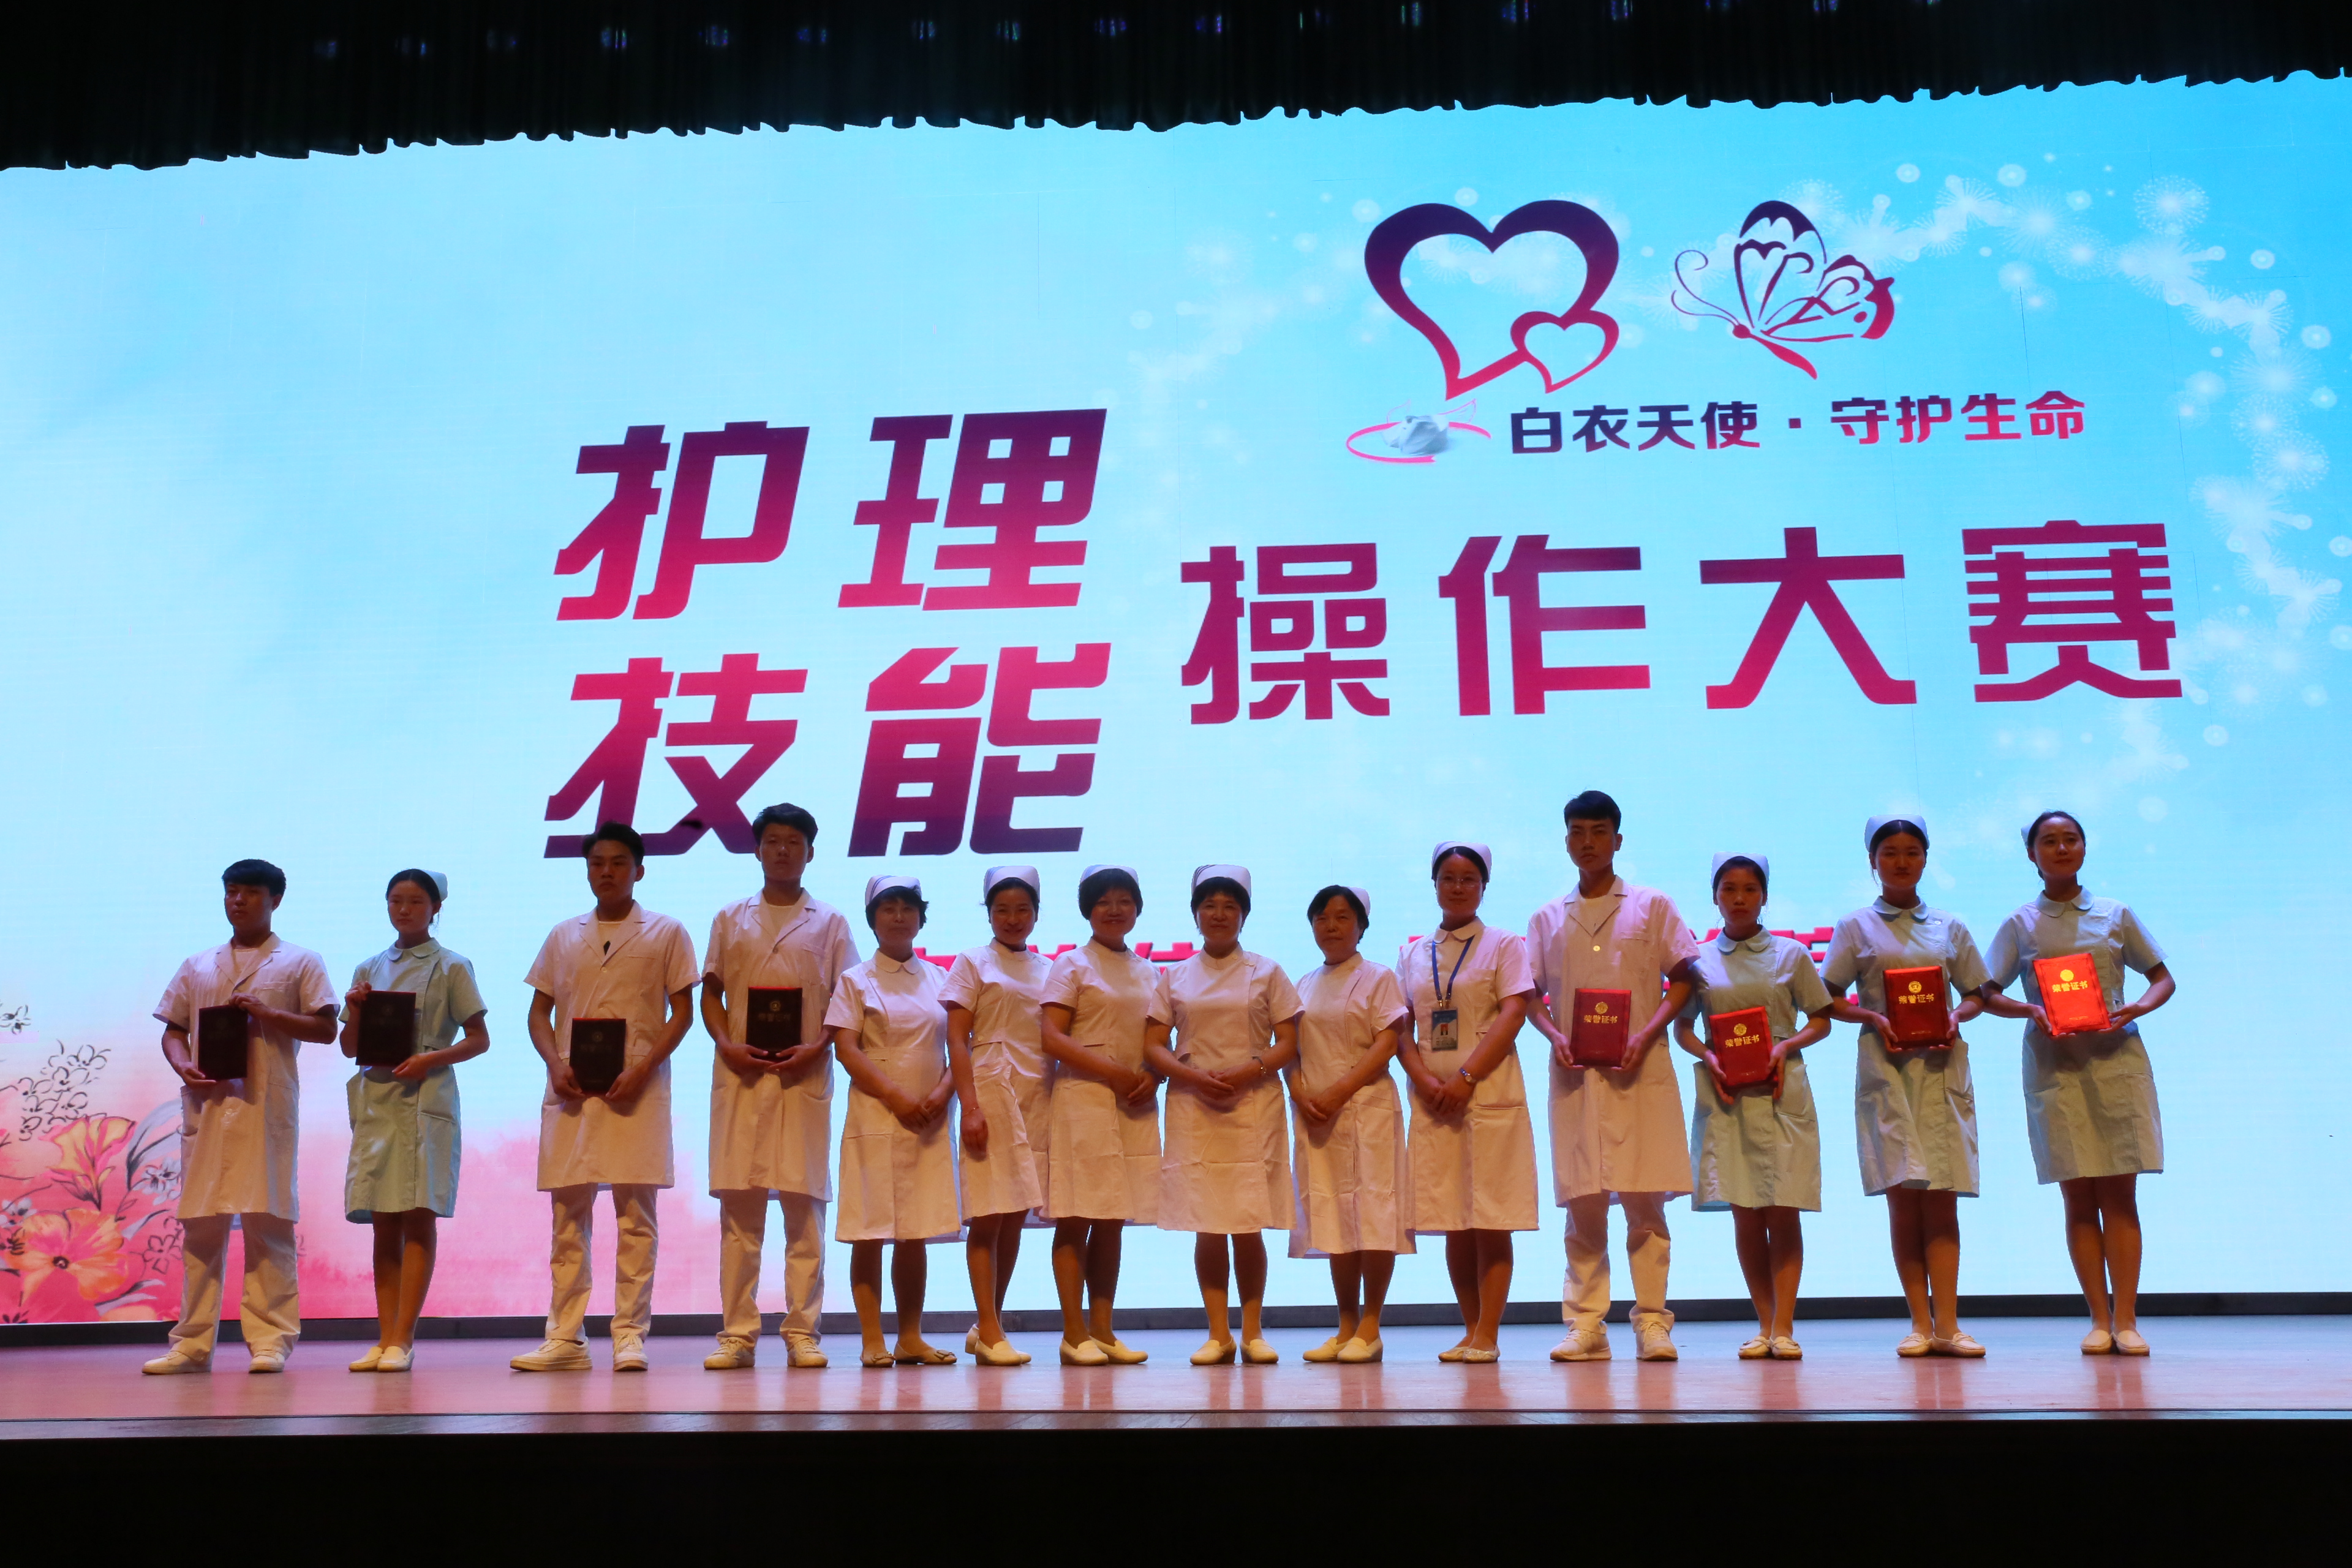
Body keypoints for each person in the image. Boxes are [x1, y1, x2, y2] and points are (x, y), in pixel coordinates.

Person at [1977, 810, 2175, 1356]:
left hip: (2116, 1061)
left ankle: (2128, 1319)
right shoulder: (2020, 923)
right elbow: (1985, 991)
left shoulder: (2115, 913)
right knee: (2078, 1195)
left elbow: (2162, 978)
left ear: (2084, 848)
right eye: (2050, 841)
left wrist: (2137, 1007)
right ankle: (2098, 1319)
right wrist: (2029, 1010)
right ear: (2032, 854)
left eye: (2071, 839)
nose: (2061, 849)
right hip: (2056, 1067)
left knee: (2121, 1195)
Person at [511, 823, 699, 1373]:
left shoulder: (666, 931)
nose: (607, 872)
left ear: (639, 870)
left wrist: (644, 1068)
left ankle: (629, 1336)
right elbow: (538, 1013)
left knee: (636, 1218)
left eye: (618, 863)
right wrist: (555, 1064)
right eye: (597, 863)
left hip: (635, 1089)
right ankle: (565, 1338)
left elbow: (682, 1013)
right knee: (568, 1217)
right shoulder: (563, 934)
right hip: (572, 1088)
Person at [1526, 791, 1702, 1363]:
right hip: (1577, 1078)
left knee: (1646, 1207)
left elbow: (1683, 977)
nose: (1588, 842)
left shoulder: (1652, 905)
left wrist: (1646, 1034)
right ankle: (1586, 1325)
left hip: (1639, 1071)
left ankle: (1653, 1322)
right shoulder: (1547, 918)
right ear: (1566, 841)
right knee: (1584, 1207)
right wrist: (1554, 1036)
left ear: (1618, 840)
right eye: (1577, 832)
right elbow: (1528, 994)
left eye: (1599, 831)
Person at [143, 859, 337, 1375]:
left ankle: (270, 1341)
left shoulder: (300, 961)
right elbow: (174, 1028)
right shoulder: (198, 964)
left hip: (264, 1109)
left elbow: (326, 1029)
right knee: (201, 1229)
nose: (238, 900)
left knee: (268, 1225)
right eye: (231, 891)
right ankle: (191, 1345)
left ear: (275, 900)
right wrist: (182, 1063)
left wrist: (270, 1015)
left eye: (250, 892)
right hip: (209, 1107)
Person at [1823, 814, 1991, 1359]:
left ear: (1925, 859)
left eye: (1912, 852)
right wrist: (1873, 1018)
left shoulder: (1949, 926)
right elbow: (1828, 997)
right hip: (1888, 1073)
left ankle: (1950, 1325)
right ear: (1873, 862)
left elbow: (1977, 992)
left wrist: (1956, 1016)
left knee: (1942, 1202)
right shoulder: (1855, 927)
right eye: (1890, 853)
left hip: (1942, 1070)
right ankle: (1919, 1323)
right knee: (1903, 1202)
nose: (1901, 861)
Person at [699, 803, 860, 1371]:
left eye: (794, 841)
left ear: (810, 852)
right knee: (739, 1215)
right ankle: (737, 1335)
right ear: (758, 849)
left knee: (804, 1210)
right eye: (773, 841)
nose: (783, 850)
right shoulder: (729, 918)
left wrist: (817, 1047)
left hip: (803, 1077)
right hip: (741, 1076)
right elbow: (710, 993)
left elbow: (847, 1001)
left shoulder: (831, 923)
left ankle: (802, 1331)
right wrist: (726, 1044)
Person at [1672, 854, 1832, 1360]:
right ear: (1715, 897)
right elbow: (1683, 1029)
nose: (1739, 898)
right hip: (1727, 1095)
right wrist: (1709, 1056)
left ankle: (1785, 1327)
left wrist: (1787, 1045)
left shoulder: (1792, 954)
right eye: (1729, 889)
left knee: (1783, 1211)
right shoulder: (1698, 960)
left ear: (1764, 896)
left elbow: (1821, 1019)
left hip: (1783, 1089)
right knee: (1745, 1213)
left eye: (1749, 889)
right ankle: (1764, 1324)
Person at [337, 870, 490, 1373]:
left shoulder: (452, 966)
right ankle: (384, 1338)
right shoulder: (369, 967)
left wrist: (430, 1059)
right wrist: (355, 1009)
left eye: (416, 902)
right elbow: (350, 1047)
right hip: (379, 1101)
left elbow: (479, 1039)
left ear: (435, 908)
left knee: (418, 1215)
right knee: (384, 1220)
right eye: (396, 901)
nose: (404, 910)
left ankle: (404, 1339)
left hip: (425, 1096)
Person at [1152, 865, 1302, 1366]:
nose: (1219, 914)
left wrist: (1248, 1070)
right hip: (1194, 1104)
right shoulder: (1174, 975)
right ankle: (1218, 1334)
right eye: (1209, 906)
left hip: (1252, 1102)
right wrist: (1192, 1076)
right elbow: (1154, 1045)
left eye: (1230, 907)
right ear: (1195, 915)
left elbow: (1289, 1041)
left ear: (1244, 915)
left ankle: (1254, 1332)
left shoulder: (1267, 971)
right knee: (1208, 1223)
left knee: (1248, 1222)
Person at [1398, 842, 1540, 1363]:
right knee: (1453, 1218)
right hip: (1434, 1101)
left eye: (1469, 879)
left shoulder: (1504, 945)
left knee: (1490, 1216)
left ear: (1484, 886)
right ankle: (1470, 1329)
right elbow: (1401, 1028)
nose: (1458, 887)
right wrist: (1423, 1080)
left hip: (1488, 1092)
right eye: (1449, 878)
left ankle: (1490, 1334)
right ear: (1434, 884)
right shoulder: (1413, 954)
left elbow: (1513, 1014)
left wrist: (1465, 1077)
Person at [827, 875, 963, 1367]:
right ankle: (871, 1339)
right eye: (889, 908)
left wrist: (942, 1093)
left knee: (915, 1232)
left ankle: (910, 1337)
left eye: (908, 908)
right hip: (877, 1113)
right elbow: (846, 1049)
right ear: (873, 920)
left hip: (929, 1117)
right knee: (869, 1229)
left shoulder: (942, 979)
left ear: (922, 918)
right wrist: (895, 1096)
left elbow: (959, 1046)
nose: (899, 916)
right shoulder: (855, 980)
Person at [1038, 864, 1166, 1366]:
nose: (1114, 910)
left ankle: (1104, 1331)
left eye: (1124, 901)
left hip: (1132, 1103)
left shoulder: (1150, 971)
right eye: (1103, 901)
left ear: (1137, 908)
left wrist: (1153, 1076)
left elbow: (1160, 1041)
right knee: (1076, 1218)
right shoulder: (1071, 964)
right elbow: (1052, 1038)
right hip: (1083, 1102)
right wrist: (1113, 1072)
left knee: (1113, 1220)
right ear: (1087, 910)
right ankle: (1073, 1334)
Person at [1289, 884, 1414, 1365]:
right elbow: (1290, 1047)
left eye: (1343, 917)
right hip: (1319, 1115)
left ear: (1361, 926)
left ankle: (1371, 1327)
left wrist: (1340, 1090)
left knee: (1374, 1214)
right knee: (1335, 1216)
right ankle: (1344, 1327)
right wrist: (1299, 1092)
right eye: (1321, 917)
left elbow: (1387, 1043)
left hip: (1366, 1109)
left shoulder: (1379, 977)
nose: (1331, 926)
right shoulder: (1303, 984)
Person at [941, 864, 1055, 1368]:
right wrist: (969, 1106)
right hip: (989, 1090)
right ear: (988, 914)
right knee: (988, 1215)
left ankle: (989, 1324)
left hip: (1036, 1094)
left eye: (1022, 909)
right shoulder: (972, 962)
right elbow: (957, 1039)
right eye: (1002, 910)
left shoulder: (1050, 968)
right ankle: (988, 1329)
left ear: (1036, 914)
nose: (1013, 918)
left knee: (1015, 1217)